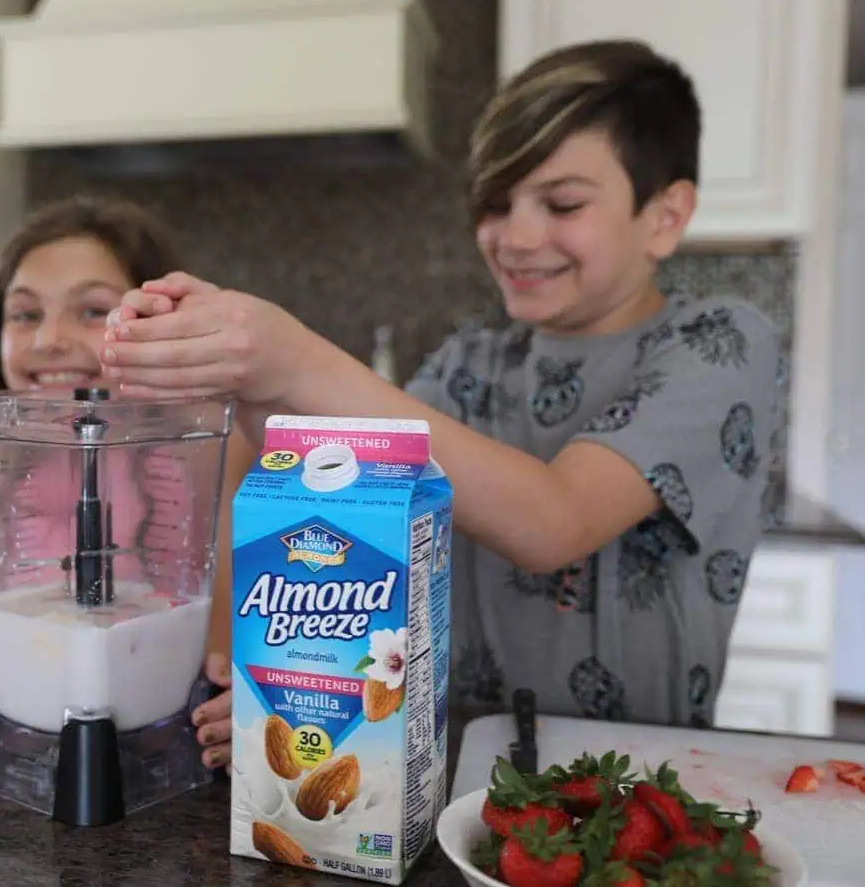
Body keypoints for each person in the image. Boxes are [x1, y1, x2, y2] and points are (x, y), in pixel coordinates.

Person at [99, 40, 782, 735]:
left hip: (641, 779)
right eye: (495, 202)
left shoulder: (720, 344)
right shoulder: (470, 363)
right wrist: (236, 367)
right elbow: (330, 476)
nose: (514, 237)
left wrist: (295, 357)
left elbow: (556, 522)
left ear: (665, 217)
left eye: (562, 203)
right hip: (457, 766)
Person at [0, 195, 254, 780]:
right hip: (19, 739)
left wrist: (231, 696)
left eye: (93, 311)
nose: (49, 340)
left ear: (160, 326)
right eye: (24, 314)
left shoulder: (215, 440)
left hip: (162, 741)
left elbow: (221, 623)